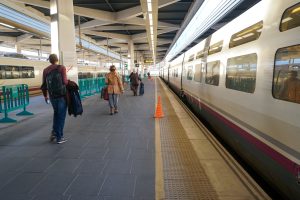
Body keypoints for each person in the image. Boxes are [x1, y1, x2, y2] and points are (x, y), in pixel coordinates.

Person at [41, 54, 68, 144]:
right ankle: (59, 137)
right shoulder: (61, 68)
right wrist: (69, 81)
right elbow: (65, 82)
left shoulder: (45, 70)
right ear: (57, 59)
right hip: (61, 96)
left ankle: (54, 133)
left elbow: (44, 85)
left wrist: (45, 96)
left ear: (49, 60)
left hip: (52, 97)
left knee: (56, 114)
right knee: (61, 116)